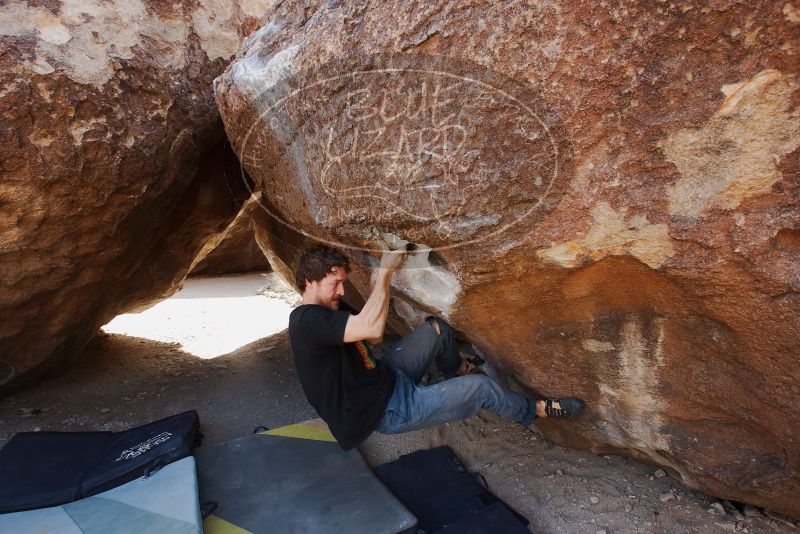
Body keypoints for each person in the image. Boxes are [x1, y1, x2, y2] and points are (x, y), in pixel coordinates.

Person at [288, 243, 585, 450]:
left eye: (342, 282)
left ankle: (454, 369)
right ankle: (534, 410)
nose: (341, 290)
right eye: (334, 284)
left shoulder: (332, 309)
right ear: (308, 282)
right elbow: (371, 327)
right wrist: (384, 278)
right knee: (481, 388)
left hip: (385, 377)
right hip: (385, 409)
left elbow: (374, 338)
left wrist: (382, 281)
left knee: (438, 329)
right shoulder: (306, 322)